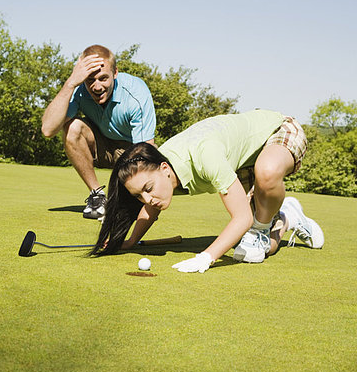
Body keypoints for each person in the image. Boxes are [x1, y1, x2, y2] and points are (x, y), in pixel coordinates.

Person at [90, 109, 324, 273]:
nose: (147, 199)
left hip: (277, 130)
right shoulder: (162, 173)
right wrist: (130, 241)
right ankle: (288, 217)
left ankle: (266, 222)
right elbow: (150, 209)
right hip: (242, 163)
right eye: (139, 196)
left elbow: (240, 218)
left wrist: (206, 257)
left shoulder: (204, 157)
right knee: (253, 252)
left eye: (148, 189)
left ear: (164, 168)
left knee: (267, 173)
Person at [42, 44, 156, 220]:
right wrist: (71, 82)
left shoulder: (135, 93)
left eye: (103, 78)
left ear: (115, 73)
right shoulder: (79, 90)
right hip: (102, 145)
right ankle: (97, 197)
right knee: (72, 127)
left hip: (131, 151)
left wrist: (130, 201)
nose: (96, 87)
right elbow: (48, 129)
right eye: (90, 80)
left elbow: (144, 151)